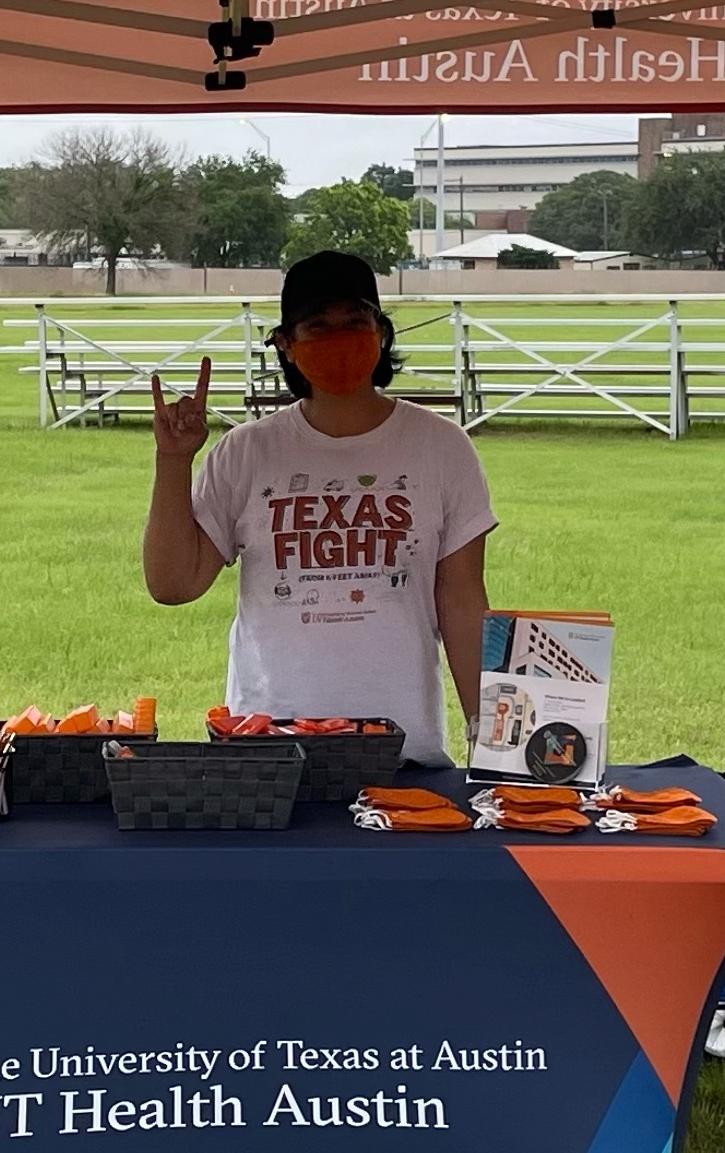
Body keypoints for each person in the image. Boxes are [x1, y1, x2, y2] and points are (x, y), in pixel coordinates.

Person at [143, 250, 492, 766]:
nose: (340, 338)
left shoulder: (441, 447)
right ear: (285, 344)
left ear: (381, 332)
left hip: (401, 750)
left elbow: (462, 602)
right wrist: (173, 461)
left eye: (355, 321)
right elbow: (173, 584)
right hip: (269, 748)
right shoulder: (246, 452)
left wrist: (491, 734)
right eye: (318, 326)